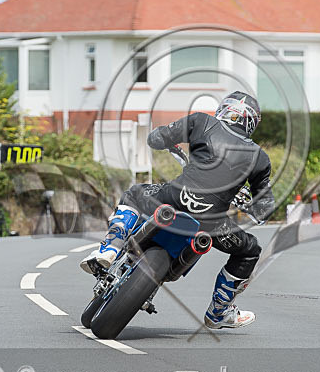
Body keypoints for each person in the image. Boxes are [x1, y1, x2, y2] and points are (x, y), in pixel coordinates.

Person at [80, 91, 274, 329]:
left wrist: (165, 140)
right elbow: (265, 206)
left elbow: (155, 138)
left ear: (224, 109)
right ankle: (219, 312)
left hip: (174, 198)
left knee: (134, 194)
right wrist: (250, 207)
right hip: (212, 223)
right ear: (251, 122)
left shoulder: (201, 121)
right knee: (250, 251)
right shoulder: (260, 158)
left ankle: (110, 248)